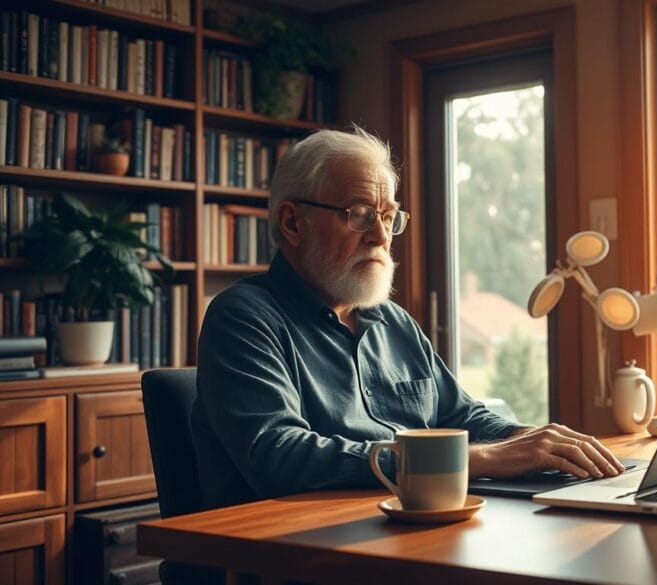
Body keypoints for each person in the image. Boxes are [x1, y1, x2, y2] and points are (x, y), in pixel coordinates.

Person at [192, 127, 624, 510]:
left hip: (406, 529)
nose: (381, 236)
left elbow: (462, 416)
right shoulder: (243, 319)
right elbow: (280, 455)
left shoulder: (392, 322)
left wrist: (536, 442)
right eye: (358, 213)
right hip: (291, 554)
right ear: (292, 222)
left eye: (387, 216)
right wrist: (478, 459)